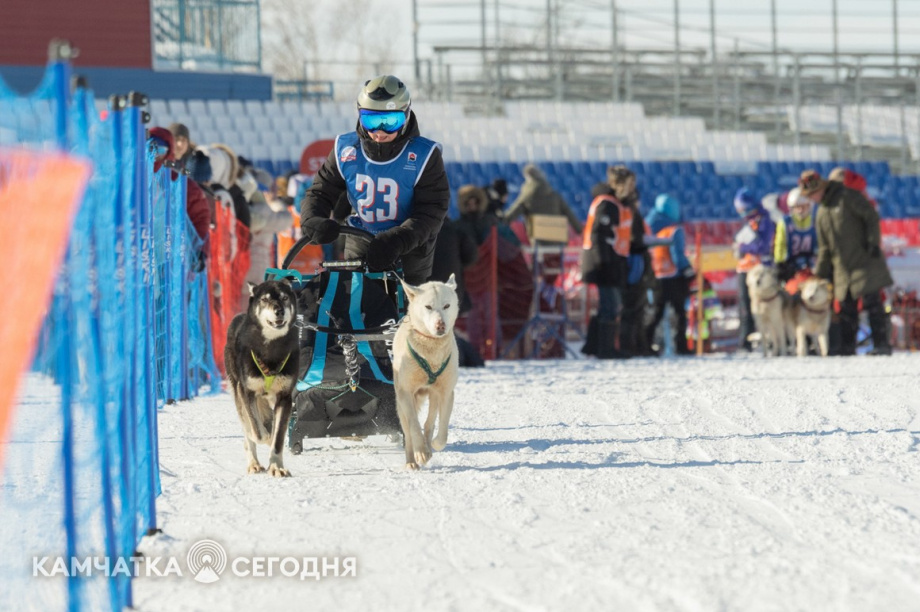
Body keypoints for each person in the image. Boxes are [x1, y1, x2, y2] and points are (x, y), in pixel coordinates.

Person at [299, 75, 450, 286]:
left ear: (406, 116)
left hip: (408, 252)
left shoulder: (424, 156)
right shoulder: (345, 149)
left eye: (390, 122)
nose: (379, 132)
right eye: (371, 120)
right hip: (359, 241)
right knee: (354, 310)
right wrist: (313, 219)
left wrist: (399, 239)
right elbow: (320, 191)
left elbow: (432, 209)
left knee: (404, 316)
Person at [800, 170, 894, 356]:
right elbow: (825, 248)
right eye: (809, 196)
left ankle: (881, 345)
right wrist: (820, 274)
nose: (813, 198)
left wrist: (873, 243)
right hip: (842, 268)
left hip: (865, 260)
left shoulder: (847, 197)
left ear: (822, 187)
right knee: (845, 309)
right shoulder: (821, 214)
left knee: (873, 303)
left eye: (813, 194)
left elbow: (870, 216)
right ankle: (847, 348)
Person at [580, 166, 632, 359]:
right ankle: (605, 349)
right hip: (603, 262)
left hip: (609, 261)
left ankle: (594, 346)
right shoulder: (607, 204)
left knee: (608, 305)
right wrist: (604, 262)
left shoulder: (614, 203)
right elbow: (599, 235)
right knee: (610, 305)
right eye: (628, 184)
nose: (630, 189)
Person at [148, 126, 211, 268]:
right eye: (152, 149)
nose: (155, 155)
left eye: (161, 151)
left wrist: (200, 251)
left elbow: (200, 217)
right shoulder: (137, 177)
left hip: (171, 256)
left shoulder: (179, 182)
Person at [645, 194, 695, 355]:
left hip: (658, 275)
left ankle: (646, 343)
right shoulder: (674, 230)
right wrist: (687, 270)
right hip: (674, 277)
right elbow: (678, 254)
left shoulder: (650, 227)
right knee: (680, 312)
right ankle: (681, 345)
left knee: (657, 313)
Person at [430, 216, 482, 366]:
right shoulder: (455, 230)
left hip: (425, 289)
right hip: (451, 289)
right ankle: (462, 359)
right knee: (447, 328)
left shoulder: (420, 229)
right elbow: (472, 256)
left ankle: (453, 359)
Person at [732, 188, 776, 352]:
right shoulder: (750, 222)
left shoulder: (764, 221)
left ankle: (768, 340)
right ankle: (745, 341)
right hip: (744, 270)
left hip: (759, 271)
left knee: (762, 308)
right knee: (744, 309)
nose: (742, 213)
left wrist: (744, 247)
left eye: (744, 209)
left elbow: (763, 246)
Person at [503, 163, 583, 243]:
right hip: (559, 241)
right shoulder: (554, 195)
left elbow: (512, 214)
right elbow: (569, 214)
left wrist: (501, 222)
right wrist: (580, 230)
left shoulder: (527, 197)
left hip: (539, 242)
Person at [774, 187, 817, 297]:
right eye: (797, 207)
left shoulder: (816, 221)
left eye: (804, 207)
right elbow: (780, 245)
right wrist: (781, 265)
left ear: (810, 206)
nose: (800, 210)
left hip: (813, 267)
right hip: (792, 268)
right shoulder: (785, 223)